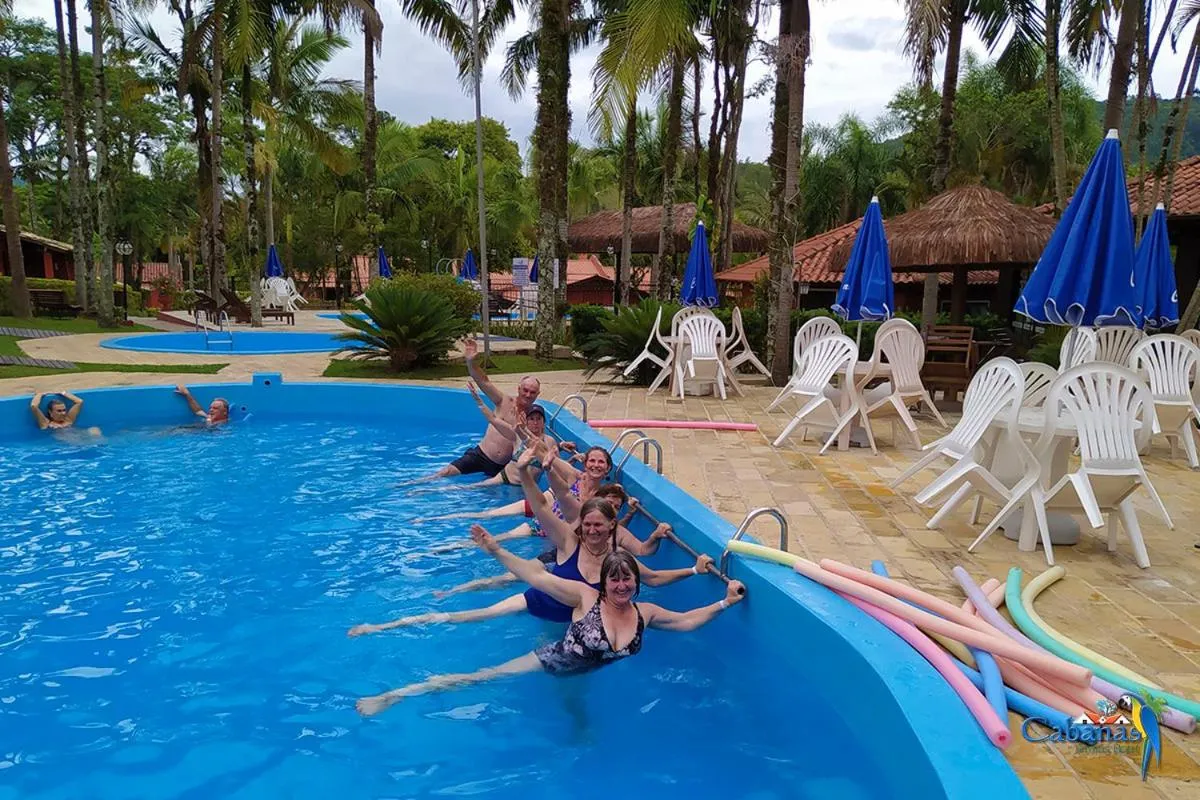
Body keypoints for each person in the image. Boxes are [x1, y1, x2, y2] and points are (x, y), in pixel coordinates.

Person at [355, 528, 746, 716]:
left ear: (637, 582)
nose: (623, 584)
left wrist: (724, 603)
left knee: (576, 712)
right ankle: (397, 694)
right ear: (605, 582)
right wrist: (495, 549)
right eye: (616, 578)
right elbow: (538, 577)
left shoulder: (647, 614)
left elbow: (687, 622)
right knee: (480, 676)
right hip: (551, 660)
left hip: (584, 673)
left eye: (629, 578)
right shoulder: (585, 597)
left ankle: (579, 734)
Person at [347, 451, 713, 635]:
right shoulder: (569, 541)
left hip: (565, 624)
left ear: (612, 523)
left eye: (600, 524)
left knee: (566, 688)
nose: (593, 531)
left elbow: (652, 577)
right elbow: (540, 505)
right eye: (588, 524)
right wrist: (523, 472)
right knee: (476, 614)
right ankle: (384, 627)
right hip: (534, 598)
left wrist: (694, 570)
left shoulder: (618, 561)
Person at [431, 483, 668, 599]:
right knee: (508, 578)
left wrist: (654, 534)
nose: (613, 510)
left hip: (569, 576)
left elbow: (643, 551)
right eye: (609, 505)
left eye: (617, 508)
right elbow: (558, 497)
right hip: (556, 559)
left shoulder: (617, 532)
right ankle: (455, 589)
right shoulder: (581, 516)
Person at [403, 339, 541, 484]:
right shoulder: (504, 401)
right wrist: (470, 362)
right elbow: (483, 381)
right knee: (446, 472)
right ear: (519, 389)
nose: (527, 394)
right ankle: (415, 484)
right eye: (525, 390)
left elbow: (537, 442)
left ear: (537, 394)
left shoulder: (534, 417)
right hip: (481, 455)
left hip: (503, 466)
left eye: (532, 392)